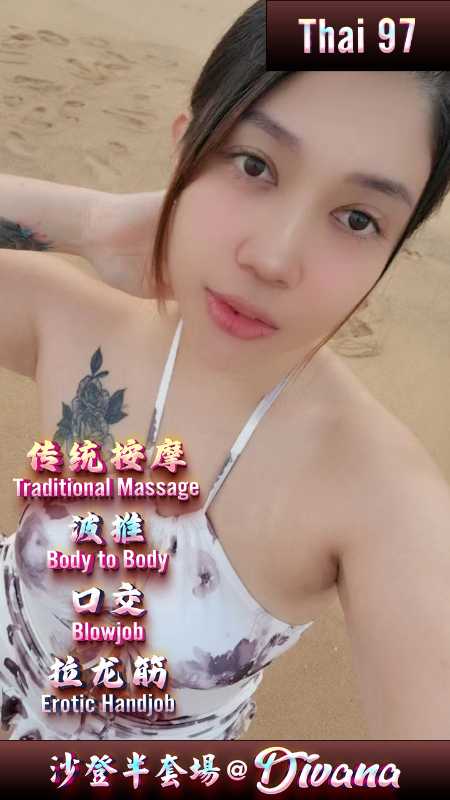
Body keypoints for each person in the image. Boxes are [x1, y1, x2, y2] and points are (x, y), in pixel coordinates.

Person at [0, 0, 450, 740]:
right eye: (254, 165)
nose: (272, 259)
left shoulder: (379, 497)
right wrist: (91, 221)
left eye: (358, 218)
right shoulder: (71, 322)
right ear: (187, 147)